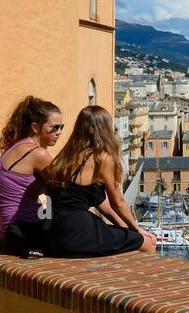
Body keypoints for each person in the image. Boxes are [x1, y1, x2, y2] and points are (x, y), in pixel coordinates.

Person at [43, 105, 156, 257]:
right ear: (105, 129)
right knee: (148, 243)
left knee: (126, 237)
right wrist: (138, 230)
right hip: (77, 231)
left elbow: (101, 202)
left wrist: (125, 228)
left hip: (52, 232)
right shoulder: (101, 159)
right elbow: (118, 203)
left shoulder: (65, 157)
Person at [0, 96, 63, 246]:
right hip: (20, 234)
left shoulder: (17, 147)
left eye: (62, 127)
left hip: (2, 232)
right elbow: (65, 186)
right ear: (35, 128)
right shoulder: (38, 154)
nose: (59, 132)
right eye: (54, 127)